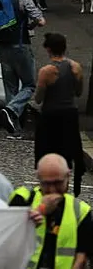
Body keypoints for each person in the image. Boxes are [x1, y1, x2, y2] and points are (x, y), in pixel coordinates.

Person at [0, 0, 45, 138]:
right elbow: (40, 21)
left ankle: (15, 130)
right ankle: (11, 109)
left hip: (3, 49)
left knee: (10, 87)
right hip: (21, 46)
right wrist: (30, 25)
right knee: (29, 85)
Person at [10, 154, 92, 269]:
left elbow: (81, 258)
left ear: (68, 177)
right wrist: (40, 210)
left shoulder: (81, 211)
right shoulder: (22, 199)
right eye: (47, 184)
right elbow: (6, 238)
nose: (52, 189)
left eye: (58, 183)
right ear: (38, 178)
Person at [34, 33, 85, 195]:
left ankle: (46, 185)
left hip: (50, 116)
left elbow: (39, 98)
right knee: (67, 151)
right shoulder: (76, 67)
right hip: (70, 115)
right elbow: (78, 92)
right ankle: (65, 185)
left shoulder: (46, 71)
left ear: (48, 49)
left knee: (46, 150)